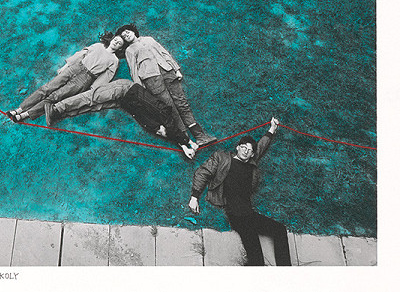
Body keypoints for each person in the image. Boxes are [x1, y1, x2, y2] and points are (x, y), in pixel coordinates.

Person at [188, 117, 292, 266]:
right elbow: (202, 173)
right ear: (237, 147)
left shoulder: (251, 162)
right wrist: (194, 196)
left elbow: (261, 146)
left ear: (252, 154)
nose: (246, 151)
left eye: (249, 150)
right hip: (236, 214)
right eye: (243, 147)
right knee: (257, 260)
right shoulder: (222, 158)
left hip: (249, 213)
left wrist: (272, 129)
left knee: (280, 230)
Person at [44, 79, 200, 158]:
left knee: (95, 106)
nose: (160, 133)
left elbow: (169, 131)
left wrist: (184, 146)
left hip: (123, 101)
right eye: (162, 132)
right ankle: (57, 108)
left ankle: (60, 113)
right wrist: (188, 142)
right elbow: (171, 127)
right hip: (124, 89)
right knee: (91, 97)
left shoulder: (155, 125)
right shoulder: (163, 113)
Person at [115, 24, 216, 147]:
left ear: (133, 31)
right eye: (124, 36)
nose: (126, 35)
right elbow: (134, 70)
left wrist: (176, 69)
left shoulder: (149, 39)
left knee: (182, 103)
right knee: (170, 108)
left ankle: (200, 136)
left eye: (127, 32)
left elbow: (164, 53)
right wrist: (141, 88)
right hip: (151, 79)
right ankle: (185, 141)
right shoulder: (129, 50)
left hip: (167, 71)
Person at [8, 32, 123, 122]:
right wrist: (65, 66)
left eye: (119, 43)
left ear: (120, 48)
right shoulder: (98, 46)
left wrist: (92, 89)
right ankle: (19, 110)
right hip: (75, 68)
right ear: (112, 39)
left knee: (55, 97)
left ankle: (24, 115)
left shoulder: (114, 60)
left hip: (85, 79)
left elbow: (105, 77)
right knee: (47, 88)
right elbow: (81, 54)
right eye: (116, 40)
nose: (116, 43)